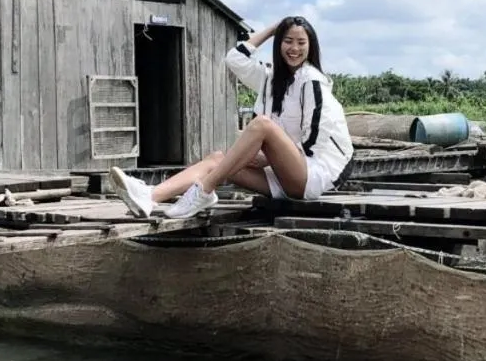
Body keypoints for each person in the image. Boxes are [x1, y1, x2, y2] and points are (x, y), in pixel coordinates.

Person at [109, 16, 355, 221]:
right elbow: (234, 59)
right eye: (287, 40)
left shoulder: (311, 81)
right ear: (279, 43)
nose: (294, 48)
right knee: (217, 159)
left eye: (301, 42)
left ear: (311, 46)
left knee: (261, 125)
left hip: (312, 177)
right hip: (284, 176)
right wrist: (272, 30)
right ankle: (150, 196)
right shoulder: (270, 78)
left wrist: (272, 155)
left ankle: (204, 190)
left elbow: (315, 141)